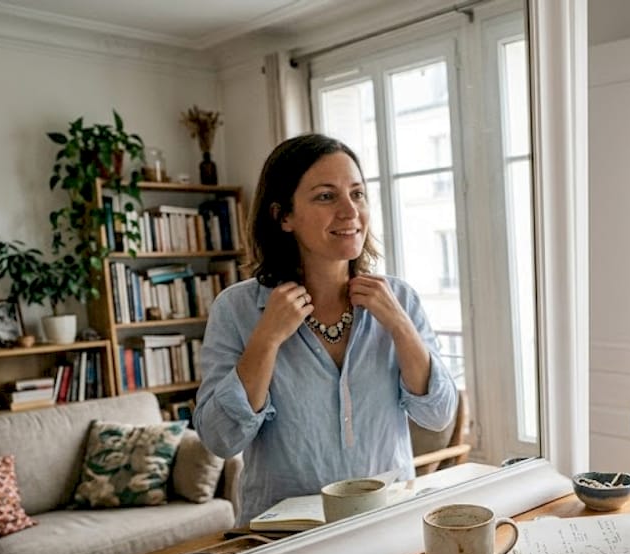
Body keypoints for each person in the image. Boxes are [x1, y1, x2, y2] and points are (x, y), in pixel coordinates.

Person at [194, 134, 457, 523]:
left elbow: (438, 414)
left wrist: (399, 324)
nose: (350, 211)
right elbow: (221, 439)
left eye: (357, 194)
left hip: (386, 522)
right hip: (282, 538)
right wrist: (266, 340)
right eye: (325, 196)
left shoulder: (399, 297)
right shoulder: (236, 309)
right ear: (283, 216)